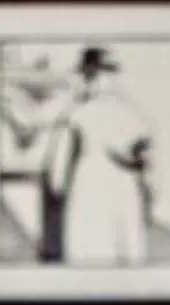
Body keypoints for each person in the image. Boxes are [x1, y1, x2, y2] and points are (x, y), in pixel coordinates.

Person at [44, 46, 153, 265]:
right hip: (124, 194)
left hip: (89, 193)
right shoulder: (134, 115)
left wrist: (60, 193)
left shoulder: (75, 115)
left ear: (88, 76)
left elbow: (57, 177)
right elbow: (149, 169)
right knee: (125, 256)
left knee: (89, 254)